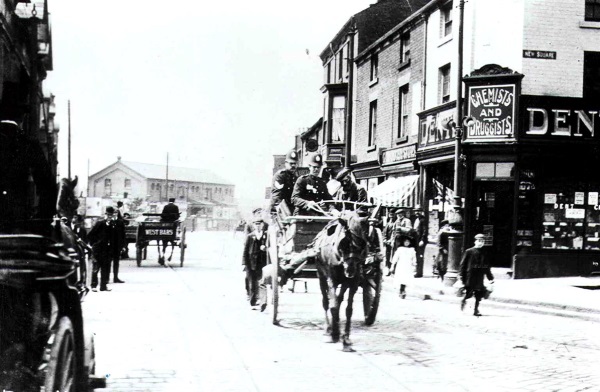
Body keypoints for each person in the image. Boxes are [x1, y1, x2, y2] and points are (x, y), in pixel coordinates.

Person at [460, 234, 495, 316]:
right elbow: (463, 265)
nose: (481, 243)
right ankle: (464, 300)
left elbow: (487, 267)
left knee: (479, 294)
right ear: (475, 241)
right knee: (469, 293)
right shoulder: (469, 251)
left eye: (482, 241)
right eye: (479, 241)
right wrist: (461, 276)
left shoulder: (484, 252)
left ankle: (476, 310)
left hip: (479, 276)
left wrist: (490, 277)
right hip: (470, 276)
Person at [88, 207, 122, 291]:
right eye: (108, 215)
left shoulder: (113, 225)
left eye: (111, 215)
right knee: (96, 268)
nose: (110, 217)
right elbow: (91, 235)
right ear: (105, 215)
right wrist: (95, 244)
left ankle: (103, 286)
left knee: (105, 268)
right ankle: (93, 286)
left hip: (107, 250)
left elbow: (115, 237)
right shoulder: (99, 223)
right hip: (98, 249)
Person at [242, 218, 268, 309]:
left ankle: (263, 302)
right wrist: (245, 263)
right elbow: (245, 250)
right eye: (256, 224)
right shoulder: (250, 236)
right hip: (251, 263)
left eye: (259, 224)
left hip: (262, 263)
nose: (258, 226)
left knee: (262, 282)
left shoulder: (266, 235)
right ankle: (253, 302)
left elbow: (271, 248)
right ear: (253, 225)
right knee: (252, 283)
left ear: (262, 225)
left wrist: (265, 248)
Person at [270, 149, 298, 215]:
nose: (293, 165)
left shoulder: (295, 177)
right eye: (291, 163)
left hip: (291, 210)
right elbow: (277, 198)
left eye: (295, 163)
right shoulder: (280, 176)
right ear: (286, 163)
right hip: (281, 211)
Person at [412, 206, 426, 278]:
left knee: (420, 256)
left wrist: (422, 240)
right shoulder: (416, 219)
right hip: (415, 240)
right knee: (416, 256)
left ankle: (419, 273)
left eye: (418, 211)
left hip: (420, 241)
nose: (417, 212)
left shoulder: (423, 220)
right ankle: (416, 271)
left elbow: (424, 231)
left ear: (421, 211)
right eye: (416, 211)